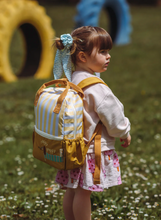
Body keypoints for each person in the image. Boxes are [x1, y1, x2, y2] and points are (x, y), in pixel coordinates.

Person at [53, 26, 131, 220]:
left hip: (71, 147)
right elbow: (114, 119)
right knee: (83, 192)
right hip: (89, 150)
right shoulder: (97, 88)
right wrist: (125, 132)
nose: (108, 56)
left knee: (72, 189)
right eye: (103, 52)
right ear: (82, 57)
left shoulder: (71, 79)